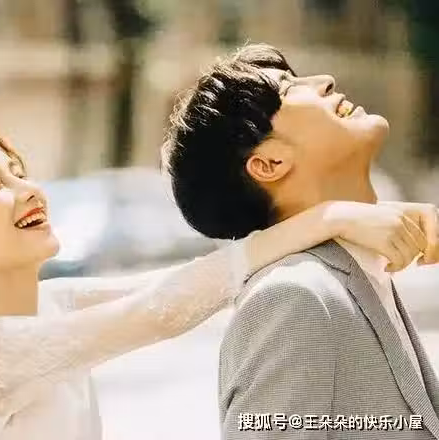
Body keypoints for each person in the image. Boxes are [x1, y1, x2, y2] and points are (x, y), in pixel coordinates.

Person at [0, 121, 435, 440]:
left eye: (19, 171)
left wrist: (357, 228)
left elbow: (186, 284)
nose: (29, 189)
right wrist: (328, 216)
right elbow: (161, 310)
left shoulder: (53, 307)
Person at [164, 43, 439, 439]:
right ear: (270, 163)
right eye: (288, 88)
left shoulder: (356, 274)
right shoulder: (293, 298)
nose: (325, 80)